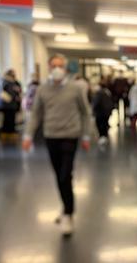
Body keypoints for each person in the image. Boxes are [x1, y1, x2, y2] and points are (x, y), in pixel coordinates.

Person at [22, 53, 92, 236]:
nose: (57, 69)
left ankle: (68, 214)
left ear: (65, 68)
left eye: (60, 66)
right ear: (49, 66)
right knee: (58, 174)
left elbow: (85, 112)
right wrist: (28, 135)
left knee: (65, 174)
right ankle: (65, 207)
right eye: (54, 65)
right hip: (51, 136)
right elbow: (36, 113)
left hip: (70, 135)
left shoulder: (76, 89)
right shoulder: (42, 90)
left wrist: (86, 136)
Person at [0, 69, 22, 138]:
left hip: (11, 105)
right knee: (8, 119)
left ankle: (10, 132)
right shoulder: (6, 82)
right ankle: (8, 133)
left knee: (11, 119)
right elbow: (10, 93)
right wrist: (15, 97)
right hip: (8, 105)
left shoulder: (11, 82)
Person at [93, 75, 114, 146]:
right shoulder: (108, 92)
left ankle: (102, 136)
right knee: (105, 123)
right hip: (107, 112)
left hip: (100, 112)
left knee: (100, 124)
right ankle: (104, 136)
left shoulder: (99, 93)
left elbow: (96, 103)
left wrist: (93, 110)